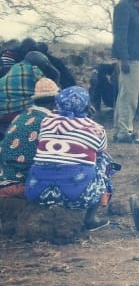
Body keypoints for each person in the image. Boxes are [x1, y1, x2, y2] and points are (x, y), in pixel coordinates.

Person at [24, 87, 115, 231]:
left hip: (36, 194)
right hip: (77, 198)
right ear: (87, 105)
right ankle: (90, 219)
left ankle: (50, 209)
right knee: (105, 161)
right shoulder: (97, 128)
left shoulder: (46, 122)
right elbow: (101, 150)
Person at [0, 78, 59, 197]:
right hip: (20, 184)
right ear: (54, 103)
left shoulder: (21, 116)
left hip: (3, 177)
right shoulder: (49, 122)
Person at [112, 0, 139, 144]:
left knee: (125, 96)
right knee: (129, 98)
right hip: (131, 59)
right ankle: (124, 132)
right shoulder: (124, 7)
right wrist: (124, 58)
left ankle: (120, 131)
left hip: (136, 57)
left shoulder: (134, 8)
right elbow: (120, 35)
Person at [0, 51, 58, 126]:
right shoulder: (35, 71)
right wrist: (57, 76)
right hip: (18, 116)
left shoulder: (16, 67)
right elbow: (51, 95)